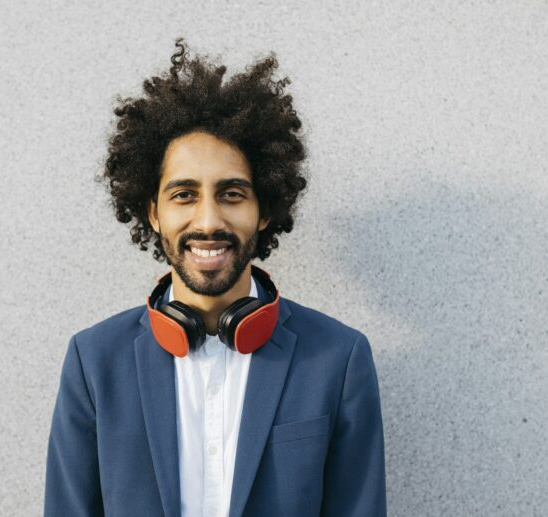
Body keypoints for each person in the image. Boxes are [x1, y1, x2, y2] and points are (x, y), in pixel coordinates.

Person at [44, 38, 386, 517]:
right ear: (153, 213)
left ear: (264, 210)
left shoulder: (339, 358)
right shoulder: (93, 361)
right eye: (184, 195)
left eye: (231, 194)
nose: (208, 221)